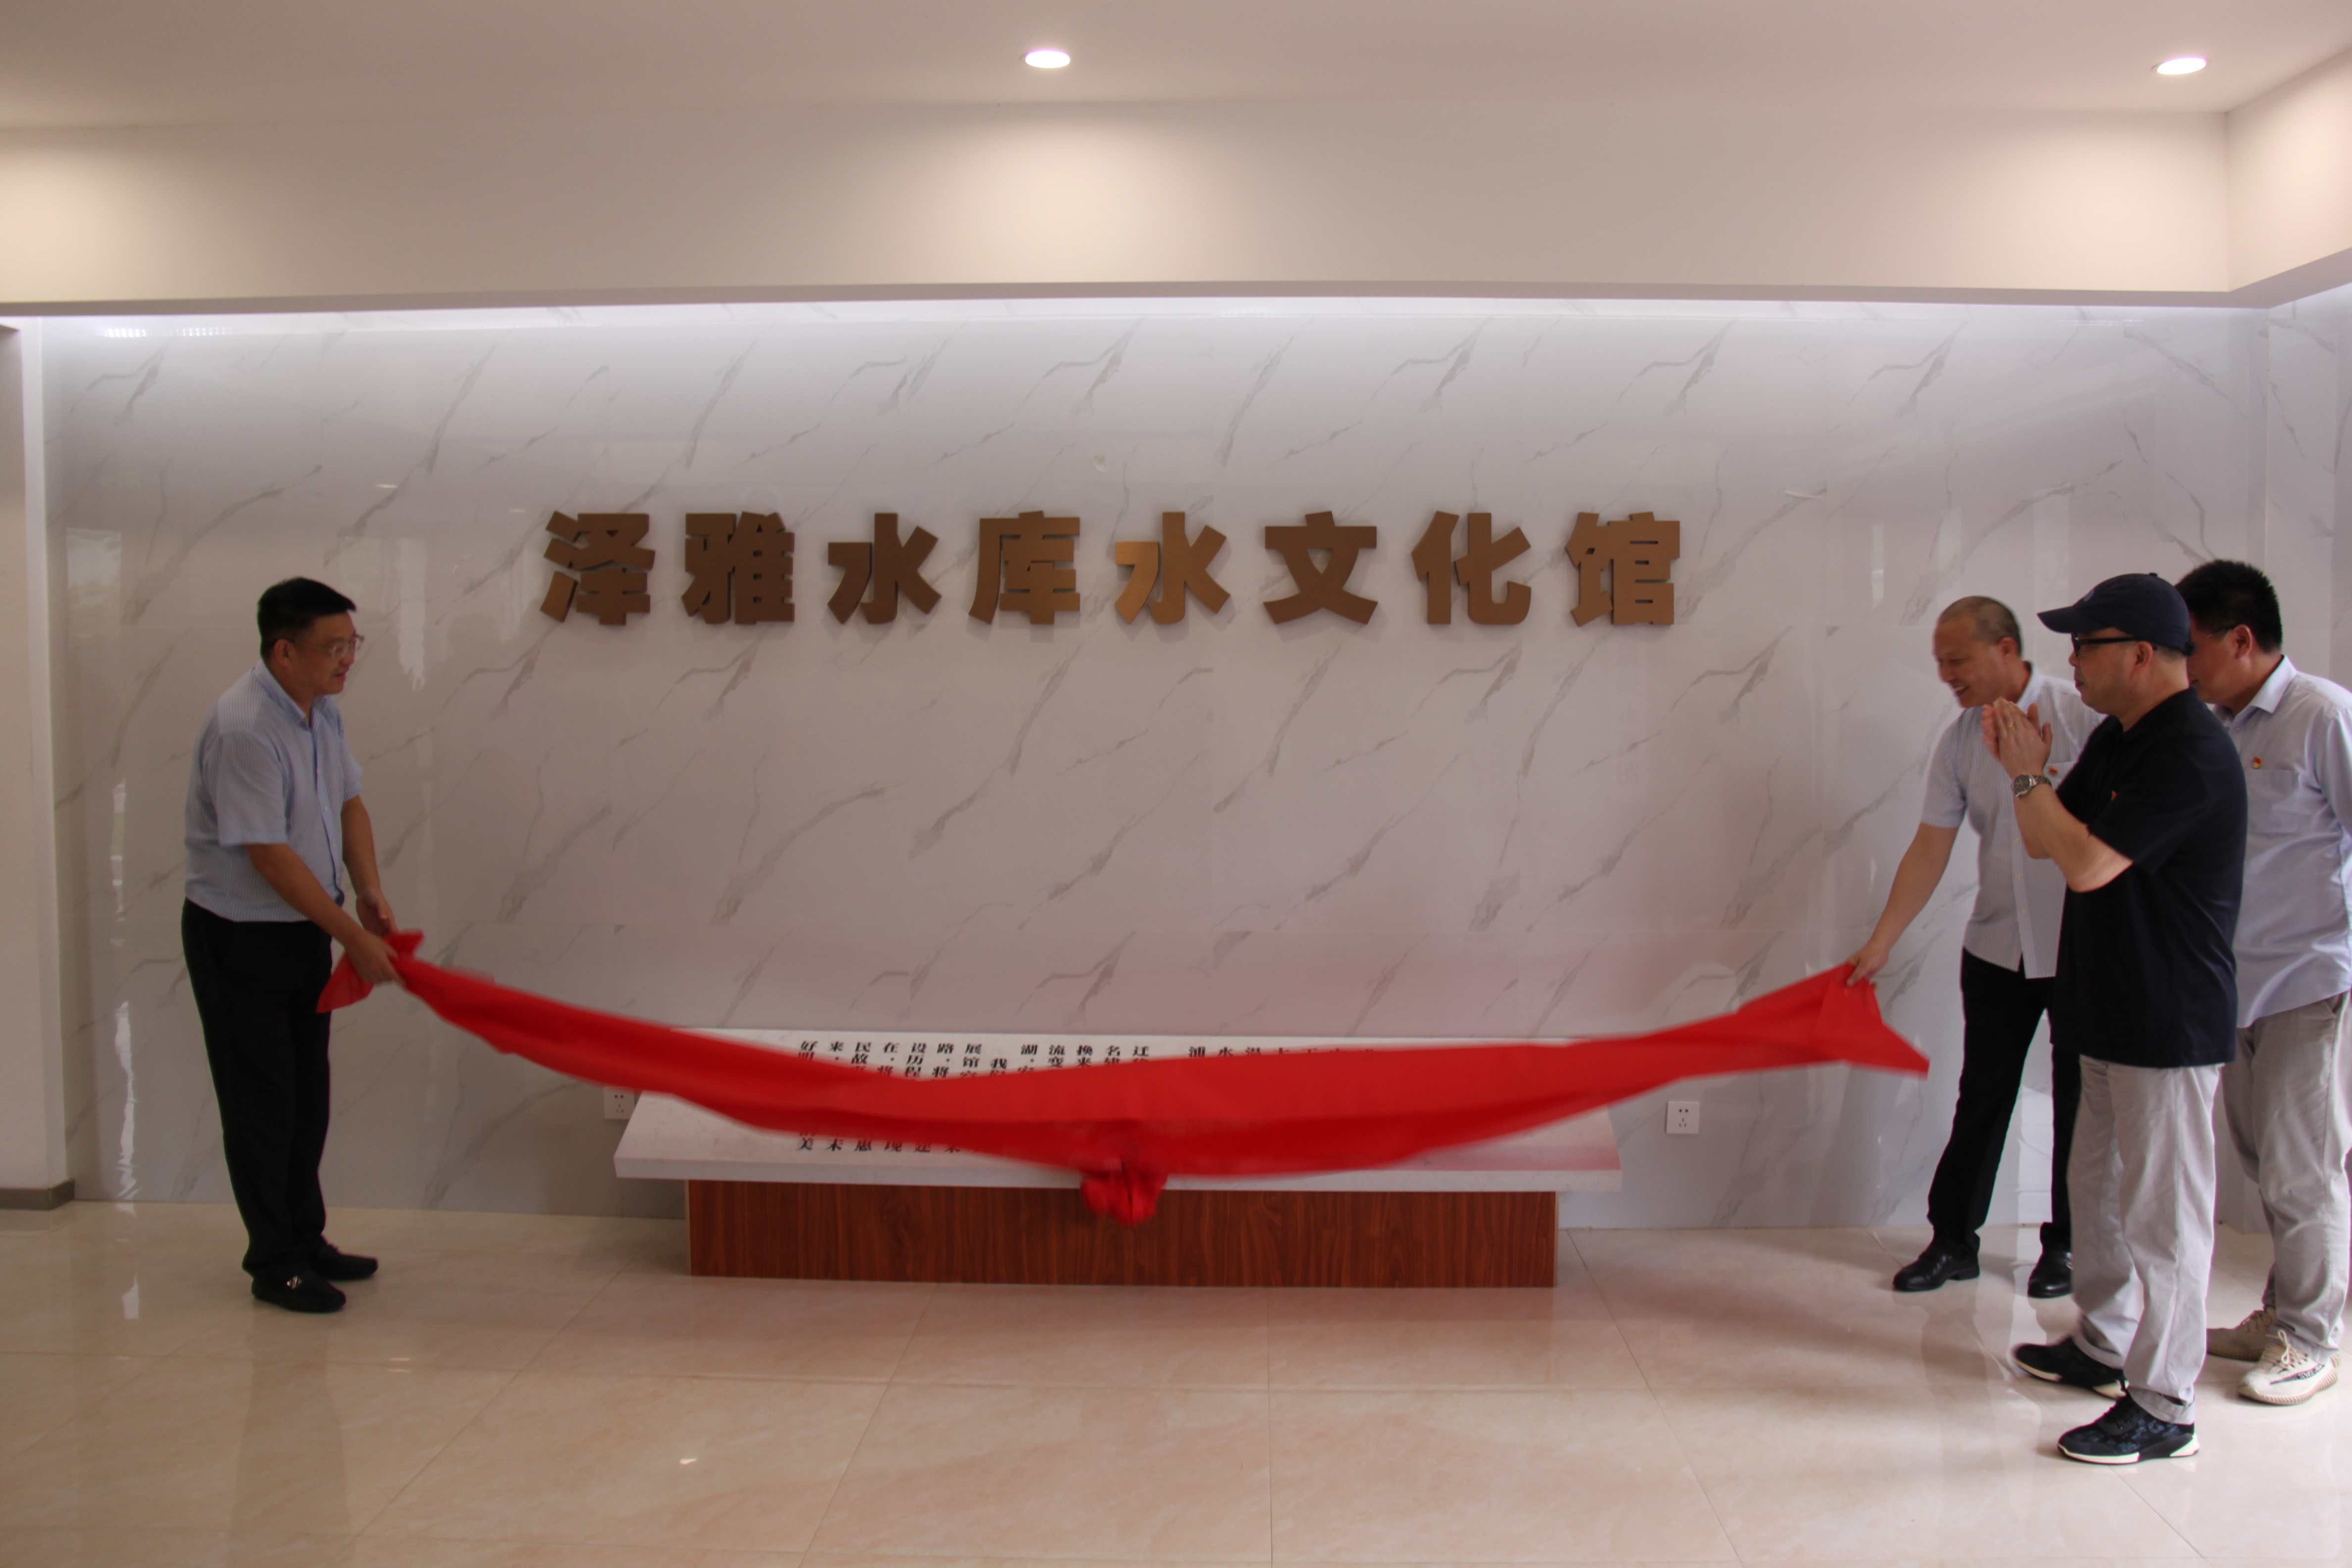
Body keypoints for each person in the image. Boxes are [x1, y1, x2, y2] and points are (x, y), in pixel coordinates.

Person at [1990, 573, 2245, 1464]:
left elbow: (2090, 863)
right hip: (2104, 1007)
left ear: (2140, 654)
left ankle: (2167, 1403)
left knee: (2164, 1217)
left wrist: (2029, 773)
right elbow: (2043, 839)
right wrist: (2026, 773)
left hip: (2167, 1020)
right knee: (2094, 1193)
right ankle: (2104, 1344)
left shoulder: (2191, 750)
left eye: (2085, 646)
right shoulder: (2120, 738)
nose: (2072, 663)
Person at [1849, 596, 2094, 1297]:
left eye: (1957, 660)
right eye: (1939, 663)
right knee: (1982, 1095)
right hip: (1996, 947)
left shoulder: (2081, 716)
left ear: (2006, 649)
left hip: (2080, 948)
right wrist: (1881, 941)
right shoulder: (1959, 742)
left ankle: (2067, 1247)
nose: (1947, 675)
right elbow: (1930, 847)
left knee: (2080, 1102)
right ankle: (1953, 1241)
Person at [182, 578, 401, 1314]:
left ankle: (306, 1238)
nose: (347, 660)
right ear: (284, 651)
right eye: (332, 647)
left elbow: (350, 802)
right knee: (262, 1102)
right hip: (240, 937)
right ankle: (274, 1261)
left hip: (305, 926)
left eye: (351, 644)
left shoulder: (321, 711)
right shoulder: (244, 727)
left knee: (307, 1097)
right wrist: (353, 939)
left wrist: (367, 890)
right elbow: (270, 858)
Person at [2177, 559, 2351, 1406]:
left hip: (2306, 978)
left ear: (2242, 639)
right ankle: (2283, 1313)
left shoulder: (2322, 715)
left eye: (2193, 647)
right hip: (2232, 982)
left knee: (2303, 1167)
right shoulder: (2216, 726)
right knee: (2261, 1159)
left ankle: (2313, 1339)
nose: (2185, 666)